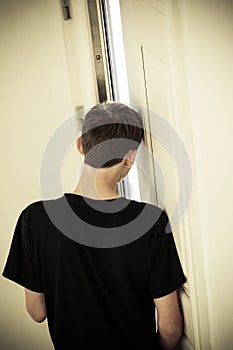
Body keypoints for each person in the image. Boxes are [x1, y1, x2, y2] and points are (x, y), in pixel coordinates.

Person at [2, 102, 186, 349]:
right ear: (130, 158)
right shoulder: (150, 222)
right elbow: (171, 327)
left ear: (80, 145)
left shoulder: (34, 218)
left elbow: (36, 312)